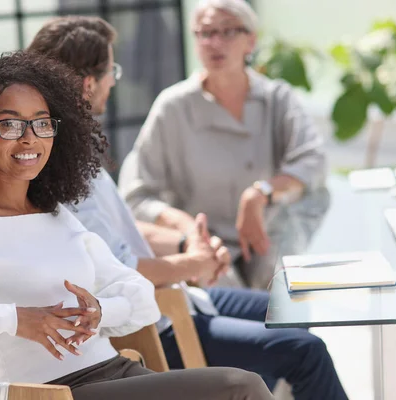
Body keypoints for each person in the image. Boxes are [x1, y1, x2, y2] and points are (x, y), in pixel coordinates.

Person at [0, 50, 274, 400]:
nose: (29, 139)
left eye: (41, 123)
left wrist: (100, 311)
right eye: (10, 125)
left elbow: (138, 296)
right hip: (58, 393)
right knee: (240, 387)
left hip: (119, 373)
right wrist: (11, 318)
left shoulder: (55, 213)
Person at [29, 15, 348, 400]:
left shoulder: (78, 157)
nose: (115, 80)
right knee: (305, 351)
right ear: (88, 82)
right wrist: (193, 264)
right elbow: (118, 268)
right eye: (111, 70)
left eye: (227, 32)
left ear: (250, 41)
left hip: (181, 294)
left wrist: (185, 243)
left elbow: (121, 231)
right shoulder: (67, 170)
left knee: (291, 312)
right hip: (160, 318)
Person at [118, 0, 330, 291]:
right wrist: (188, 230)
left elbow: (313, 162)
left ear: (250, 40)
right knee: (238, 316)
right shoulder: (173, 107)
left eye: (229, 31)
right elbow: (136, 195)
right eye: (205, 33)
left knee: (288, 305)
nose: (215, 42)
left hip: (270, 244)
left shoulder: (277, 99)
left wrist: (260, 194)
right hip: (204, 251)